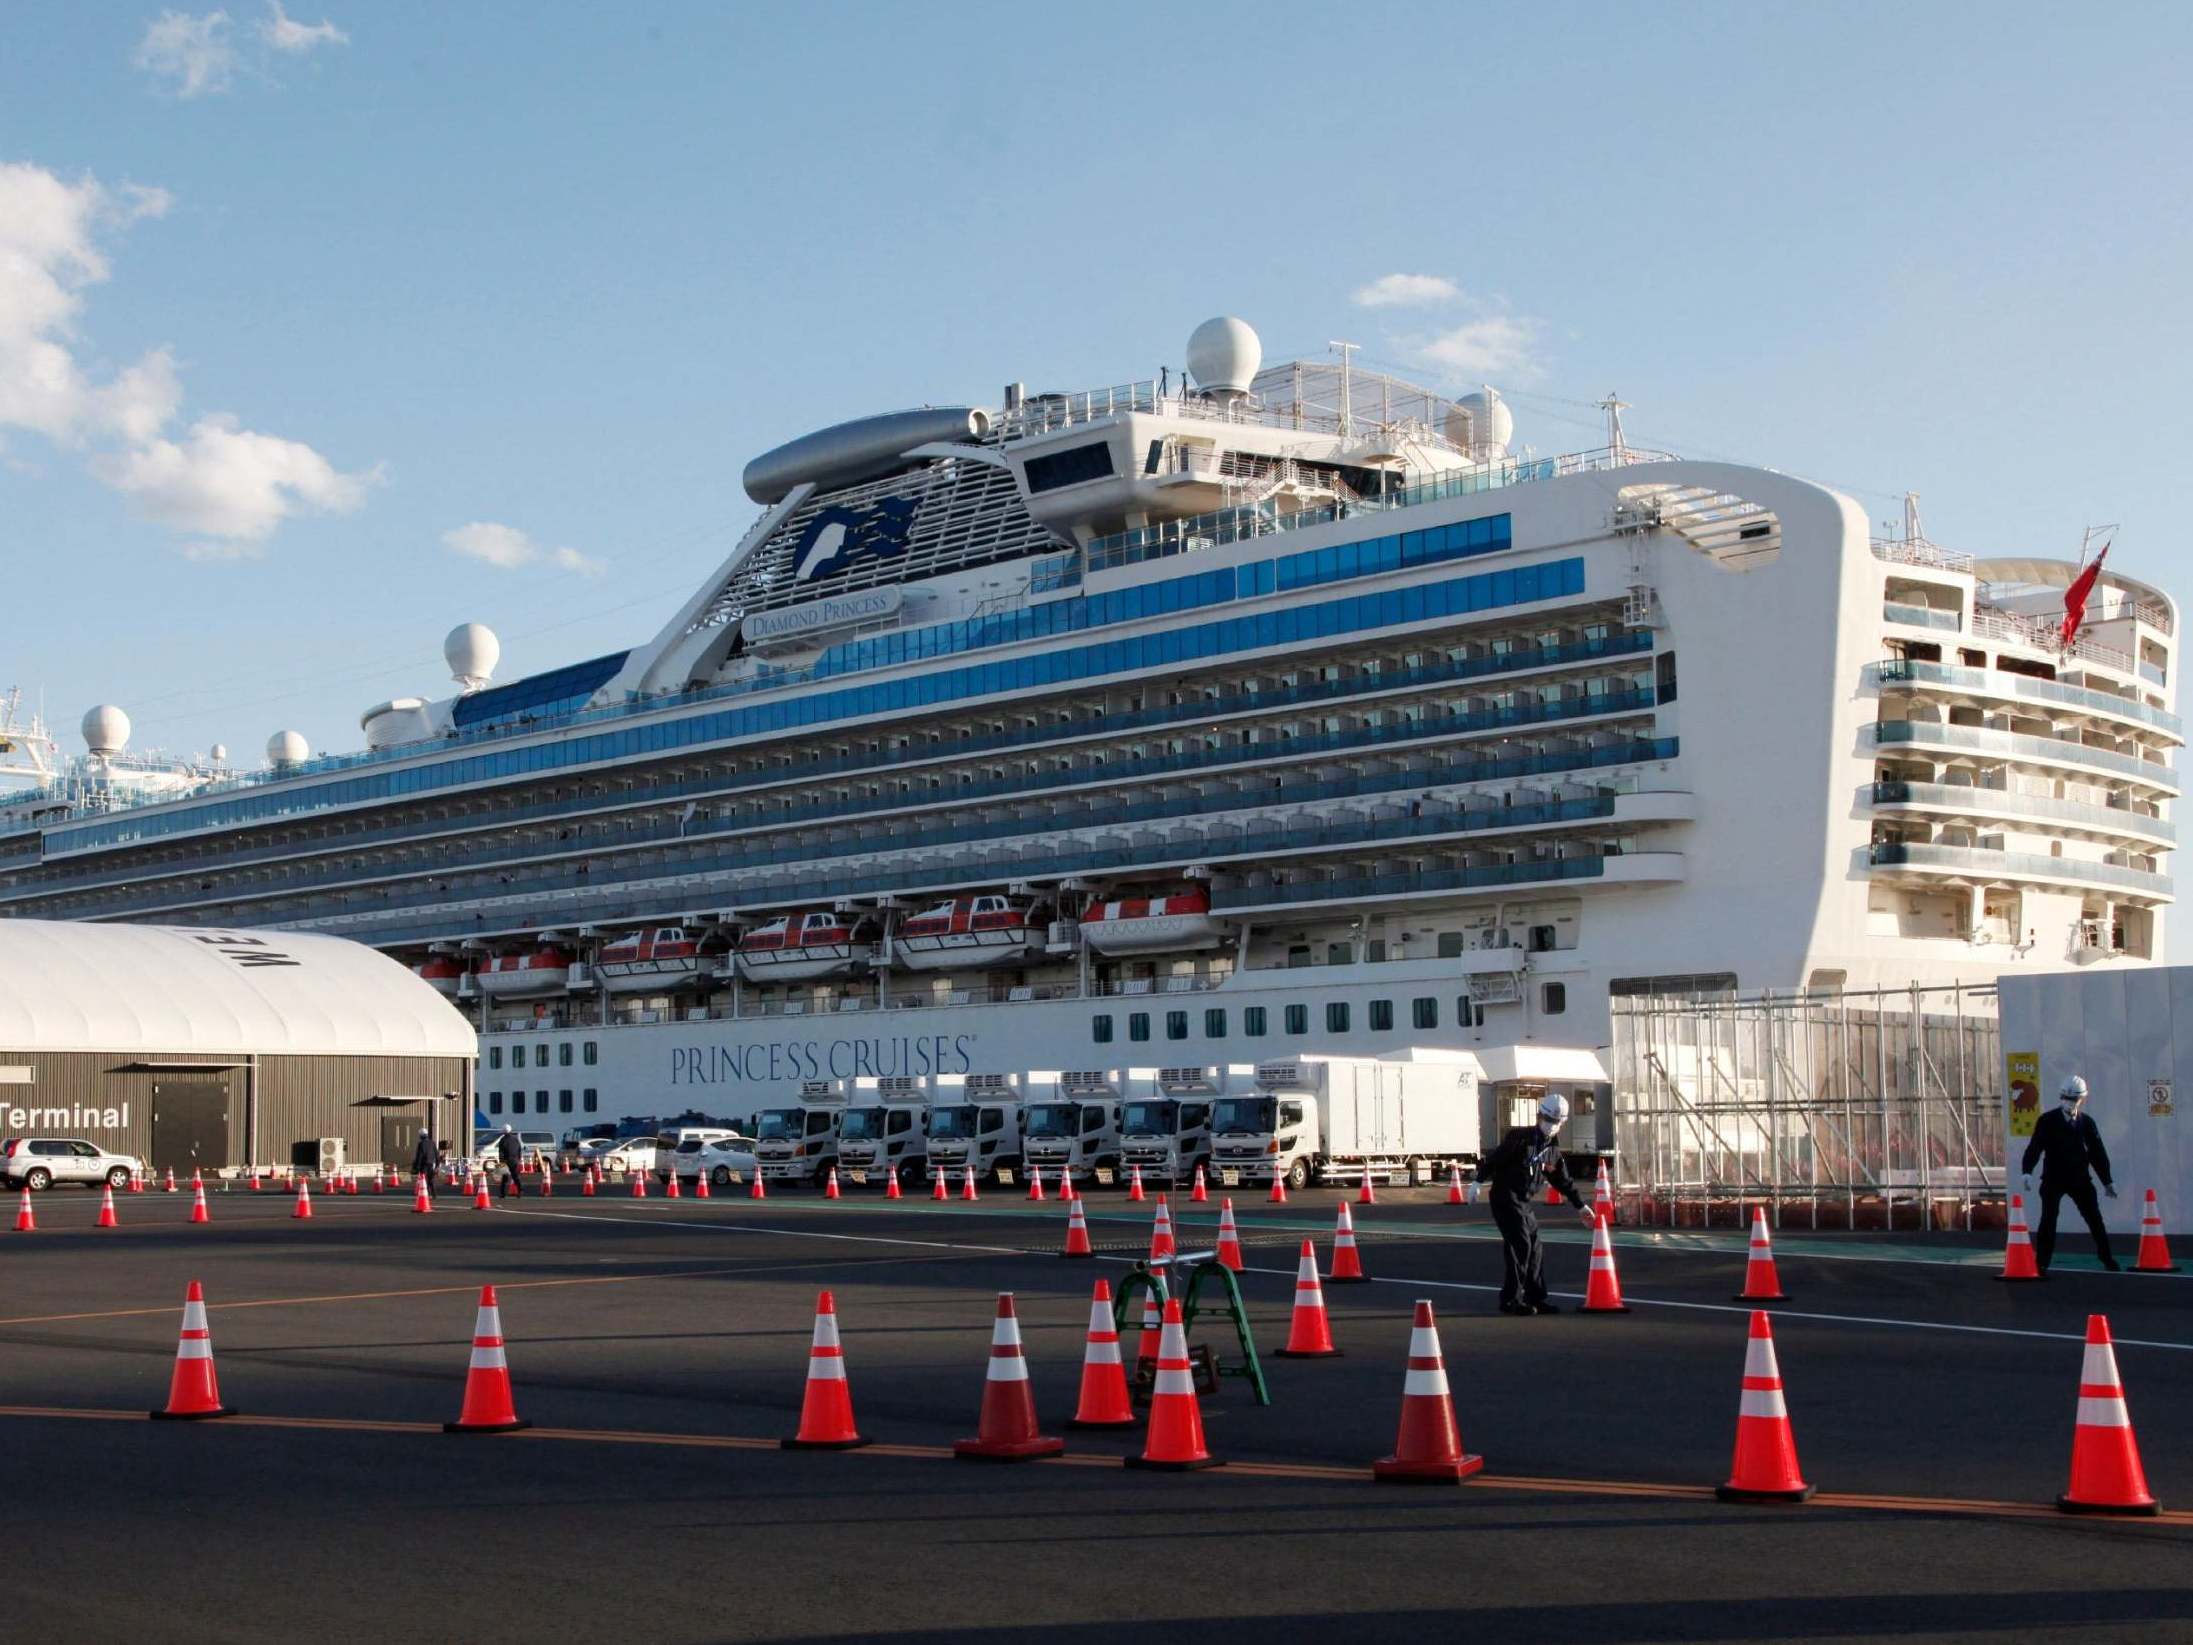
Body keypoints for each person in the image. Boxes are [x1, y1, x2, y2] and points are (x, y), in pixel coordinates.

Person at [1478, 1093, 1598, 1314]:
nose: (1552, 1126)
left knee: (1535, 1247)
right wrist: (1477, 1181)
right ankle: (1511, 1299)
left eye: (1557, 1122)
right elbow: (1495, 1159)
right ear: (1539, 1115)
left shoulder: (1551, 1150)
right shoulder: (1520, 1138)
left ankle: (1536, 1297)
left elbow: (1562, 1180)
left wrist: (1580, 1205)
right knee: (1520, 1244)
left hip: (1523, 1201)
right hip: (1505, 1196)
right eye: (1549, 1120)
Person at [2019, 1074, 2120, 1272]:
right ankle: (2042, 1262)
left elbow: (2097, 1153)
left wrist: (2107, 1181)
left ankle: (2107, 1257)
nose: (2069, 1103)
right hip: (2053, 1178)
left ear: (2081, 1099)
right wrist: (2027, 1171)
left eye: (2074, 1099)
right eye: (2066, 1098)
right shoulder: (2047, 1121)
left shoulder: (2087, 1123)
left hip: (2080, 1179)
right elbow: (2035, 1147)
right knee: (2048, 1219)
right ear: (2060, 1097)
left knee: (2095, 1219)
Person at [496, 1123, 524, 1200]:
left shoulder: (503, 1140)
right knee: (515, 1177)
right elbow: (519, 1150)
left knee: (504, 1178)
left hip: (506, 1161)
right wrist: (518, 1159)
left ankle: (502, 1194)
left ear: (503, 1131)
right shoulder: (515, 1139)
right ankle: (520, 1191)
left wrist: (501, 1162)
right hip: (515, 1160)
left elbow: (501, 1153)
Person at [410, 1125, 437, 1198]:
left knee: (424, 1180)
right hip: (431, 1164)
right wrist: (437, 1165)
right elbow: (436, 1154)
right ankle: (434, 1194)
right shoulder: (432, 1143)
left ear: (421, 1135)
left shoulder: (421, 1144)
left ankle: (426, 1194)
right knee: (431, 1179)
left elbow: (419, 1156)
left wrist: (417, 1167)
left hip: (424, 1165)